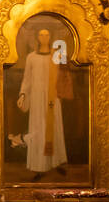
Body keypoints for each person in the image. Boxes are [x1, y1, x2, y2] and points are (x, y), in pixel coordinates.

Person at [16, 26, 70, 179]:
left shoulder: (56, 56)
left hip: (53, 98)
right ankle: (39, 167)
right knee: (38, 129)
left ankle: (57, 162)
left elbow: (64, 76)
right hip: (37, 98)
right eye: (41, 34)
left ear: (50, 37)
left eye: (47, 34)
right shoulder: (31, 57)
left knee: (55, 128)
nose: (44, 37)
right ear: (37, 38)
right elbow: (27, 78)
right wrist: (23, 94)